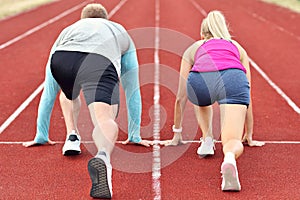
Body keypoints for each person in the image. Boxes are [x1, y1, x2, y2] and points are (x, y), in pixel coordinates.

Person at [23, 3, 150, 198]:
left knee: (68, 94)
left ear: (83, 20)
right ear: (106, 19)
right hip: (98, 60)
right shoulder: (118, 30)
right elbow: (132, 89)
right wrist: (134, 134)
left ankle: (72, 137)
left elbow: (48, 91)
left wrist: (41, 134)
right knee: (104, 116)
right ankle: (103, 157)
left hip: (62, 59)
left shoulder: (69, 30)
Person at [162, 10, 264, 191]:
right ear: (224, 30)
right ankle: (230, 157)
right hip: (233, 79)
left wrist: (177, 133)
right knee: (232, 140)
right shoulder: (237, 48)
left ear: (202, 34)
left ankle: (207, 139)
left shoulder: (194, 47)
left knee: (201, 98)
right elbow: (247, 93)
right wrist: (249, 134)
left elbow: (180, 97)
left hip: (201, 81)